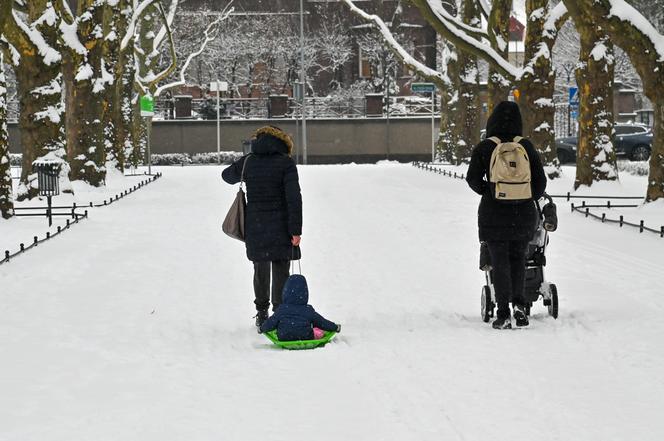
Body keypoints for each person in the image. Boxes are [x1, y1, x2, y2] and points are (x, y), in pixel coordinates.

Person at [466, 101, 547, 330]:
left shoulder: (485, 147)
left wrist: (491, 192)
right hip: (522, 215)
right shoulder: (526, 147)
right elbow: (540, 183)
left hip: (493, 215)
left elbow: (472, 180)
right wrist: (523, 195)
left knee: (499, 262)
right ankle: (520, 306)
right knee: (519, 260)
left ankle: (502, 313)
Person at [222, 126, 302, 327]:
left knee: (260, 268)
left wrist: (243, 166)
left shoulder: (249, 161)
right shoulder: (286, 163)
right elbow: (294, 199)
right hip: (282, 225)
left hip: (255, 225)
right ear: (283, 142)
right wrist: (295, 230)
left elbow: (227, 176)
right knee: (281, 268)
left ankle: (262, 312)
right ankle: (279, 312)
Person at [259, 274, 340, 341]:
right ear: (305, 293)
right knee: (317, 328)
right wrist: (335, 327)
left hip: (284, 337)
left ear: (285, 292)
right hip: (306, 336)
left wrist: (262, 329)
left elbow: (270, 323)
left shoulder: (282, 309)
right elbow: (322, 322)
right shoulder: (307, 310)